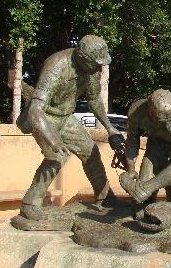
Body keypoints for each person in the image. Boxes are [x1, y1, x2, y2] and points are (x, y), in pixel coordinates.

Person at [19, 35, 124, 220]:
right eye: (96, 63)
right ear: (84, 58)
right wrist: (53, 140)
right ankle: (30, 203)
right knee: (57, 156)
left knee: (91, 151)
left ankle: (104, 197)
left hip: (66, 118)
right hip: (44, 116)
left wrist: (110, 129)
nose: (100, 67)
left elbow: (94, 101)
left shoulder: (90, 70)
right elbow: (35, 110)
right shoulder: (56, 66)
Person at [124, 89, 171, 213]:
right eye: (163, 121)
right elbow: (132, 139)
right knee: (141, 203)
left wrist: (163, 185)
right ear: (150, 112)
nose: (169, 124)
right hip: (156, 145)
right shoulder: (136, 112)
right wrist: (131, 167)